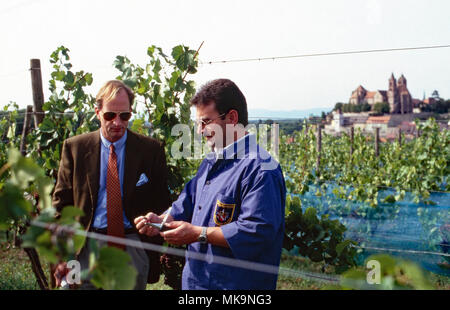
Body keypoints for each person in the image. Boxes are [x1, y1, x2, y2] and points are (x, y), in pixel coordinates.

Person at [135, 78, 286, 290]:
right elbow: (187, 204)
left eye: (206, 122)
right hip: (197, 283)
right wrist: (160, 221)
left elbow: (256, 231)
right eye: (198, 124)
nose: (200, 131)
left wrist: (199, 234)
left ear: (232, 118)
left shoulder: (260, 168)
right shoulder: (211, 162)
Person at [52, 80, 169, 289]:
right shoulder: (75, 148)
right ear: (97, 112)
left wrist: (149, 249)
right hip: (84, 249)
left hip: (131, 247)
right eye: (110, 115)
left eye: (124, 116)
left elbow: (162, 203)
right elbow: (60, 207)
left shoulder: (150, 151)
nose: (117, 122)